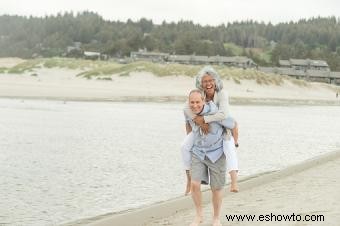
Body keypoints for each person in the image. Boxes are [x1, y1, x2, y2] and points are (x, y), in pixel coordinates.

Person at [183, 66, 239, 195]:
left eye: (210, 80)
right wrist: (197, 119)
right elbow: (186, 108)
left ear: (215, 81)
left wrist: (204, 119)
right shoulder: (199, 93)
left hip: (223, 126)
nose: (208, 84)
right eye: (205, 81)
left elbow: (223, 115)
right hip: (202, 130)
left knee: (229, 147)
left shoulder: (222, 94)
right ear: (200, 83)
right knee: (184, 146)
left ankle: (234, 181)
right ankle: (189, 179)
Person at [185, 89, 226, 226]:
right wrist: (189, 140)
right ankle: (199, 216)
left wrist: (231, 137)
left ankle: (216, 218)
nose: (195, 105)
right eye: (192, 102)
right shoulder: (187, 111)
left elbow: (230, 122)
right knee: (194, 184)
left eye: (198, 102)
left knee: (216, 188)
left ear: (204, 101)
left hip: (217, 153)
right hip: (198, 152)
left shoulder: (214, 110)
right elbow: (188, 125)